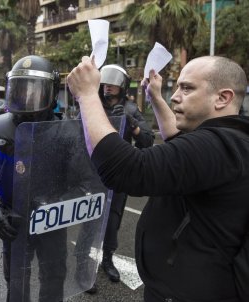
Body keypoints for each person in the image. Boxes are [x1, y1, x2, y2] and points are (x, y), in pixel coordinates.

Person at [67, 55, 249, 302]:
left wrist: (87, 95)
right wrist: (154, 96)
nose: (175, 96)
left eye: (187, 88)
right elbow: (175, 138)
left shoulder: (218, 144)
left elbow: (126, 170)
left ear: (223, 98)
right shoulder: (229, 140)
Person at [0, 55, 66, 302]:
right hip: (15, 220)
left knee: (54, 280)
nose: (26, 98)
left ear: (51, 93)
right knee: (17, 284)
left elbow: (83, 177)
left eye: (34, 91)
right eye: (21, 90)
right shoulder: (2, 128)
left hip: (52, 220)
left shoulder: (64, 131)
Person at [95, 64, 154, 285]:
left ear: (121, 85)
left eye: (112, 82)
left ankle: (108, 260)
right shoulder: (94, 106)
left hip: (119, 174)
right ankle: (83, 265)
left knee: (113, 220)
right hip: (93, 173)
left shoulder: (130, 108)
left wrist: (131, 124)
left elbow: (147, 141)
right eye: (105, 82)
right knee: (90, 219)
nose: (108, 86)